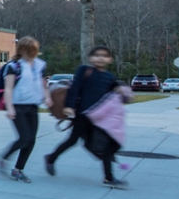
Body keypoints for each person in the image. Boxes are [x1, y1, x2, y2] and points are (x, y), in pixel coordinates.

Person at [43, 46, 129, 189]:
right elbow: (75, 88)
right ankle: (51, 158)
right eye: (97, 55)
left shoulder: (110, 77)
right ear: (90, 58)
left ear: (110, 60)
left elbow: (116, 94)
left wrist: (123, 92)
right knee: (72, 141)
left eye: (104, 56)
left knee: (105, 145)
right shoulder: (85, 70)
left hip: (100, 118)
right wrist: (69, 106)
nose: (100, 58)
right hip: (83, 115)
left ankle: (108, 177)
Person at [0, 36, 52, 183]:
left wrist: (47, 97)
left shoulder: (40, 65)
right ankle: (3, 158)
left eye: (32, 50)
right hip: (18, 106)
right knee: (24, 138)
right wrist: (10, 108)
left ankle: (18, 170)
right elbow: (8, 89)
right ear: (21, 50)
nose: (30, 53)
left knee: (31, 140)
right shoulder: (14, 66)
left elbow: (43, 84)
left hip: (33, 107)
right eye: (26, 50)